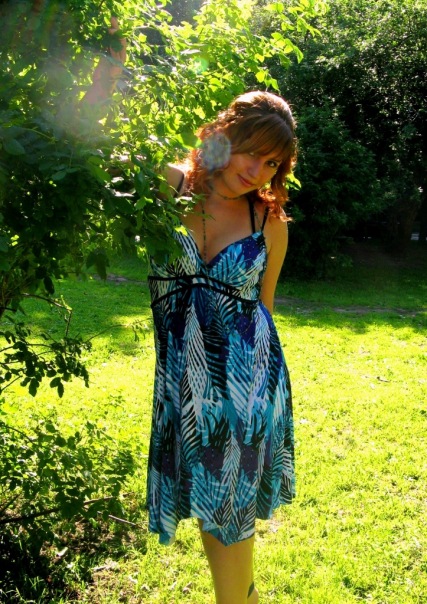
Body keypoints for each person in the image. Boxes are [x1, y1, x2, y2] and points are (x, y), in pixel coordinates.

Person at [87, 23, 296, 604]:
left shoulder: (268, 222)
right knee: (213, 514)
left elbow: (265, 308)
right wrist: (110, 76)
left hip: (244, 385)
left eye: (272, 163)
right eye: (252, 151)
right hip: (183, 380)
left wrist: (257, 403)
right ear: (225, 135)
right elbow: (99, 153)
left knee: (226, 521)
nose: (257, 171)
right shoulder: (169, 187)